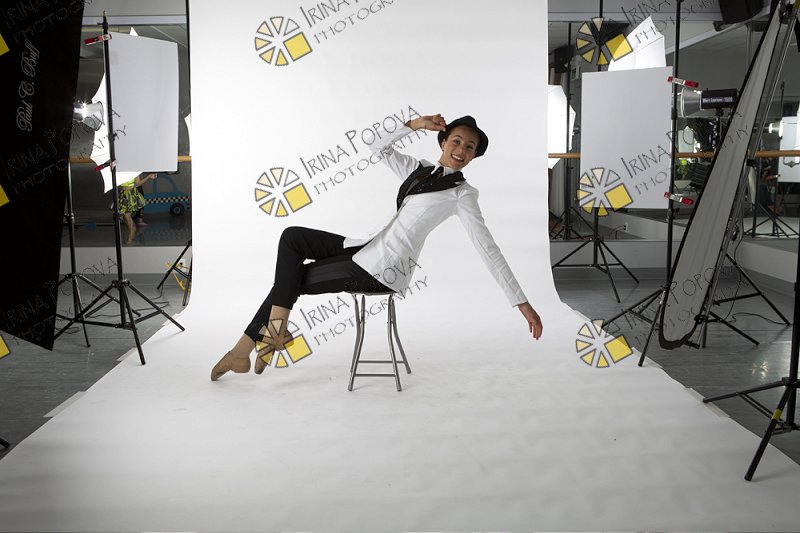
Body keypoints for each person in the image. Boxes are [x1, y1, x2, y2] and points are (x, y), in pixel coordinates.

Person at [211, 114, 543, 381]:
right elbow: (375, 144)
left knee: (290, 278)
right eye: (456, 140)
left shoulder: (462, 194)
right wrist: (415, 124)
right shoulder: (418, 170)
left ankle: (249, 347)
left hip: (383, 270)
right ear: (443, 140)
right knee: (292, 237)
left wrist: (521, 302)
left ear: (473, 156)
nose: (461, 149)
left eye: (470, 147)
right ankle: (264, 339)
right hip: (364, 248)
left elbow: (488, 248)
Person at [118, 172, 156, 244]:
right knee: (125, 217)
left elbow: (138, 183)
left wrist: (148, 177)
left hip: (131, 194)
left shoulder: (134, 171)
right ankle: (132, 228)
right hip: (122, 193)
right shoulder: (120, 171)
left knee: (126, 215)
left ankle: (131, 233)